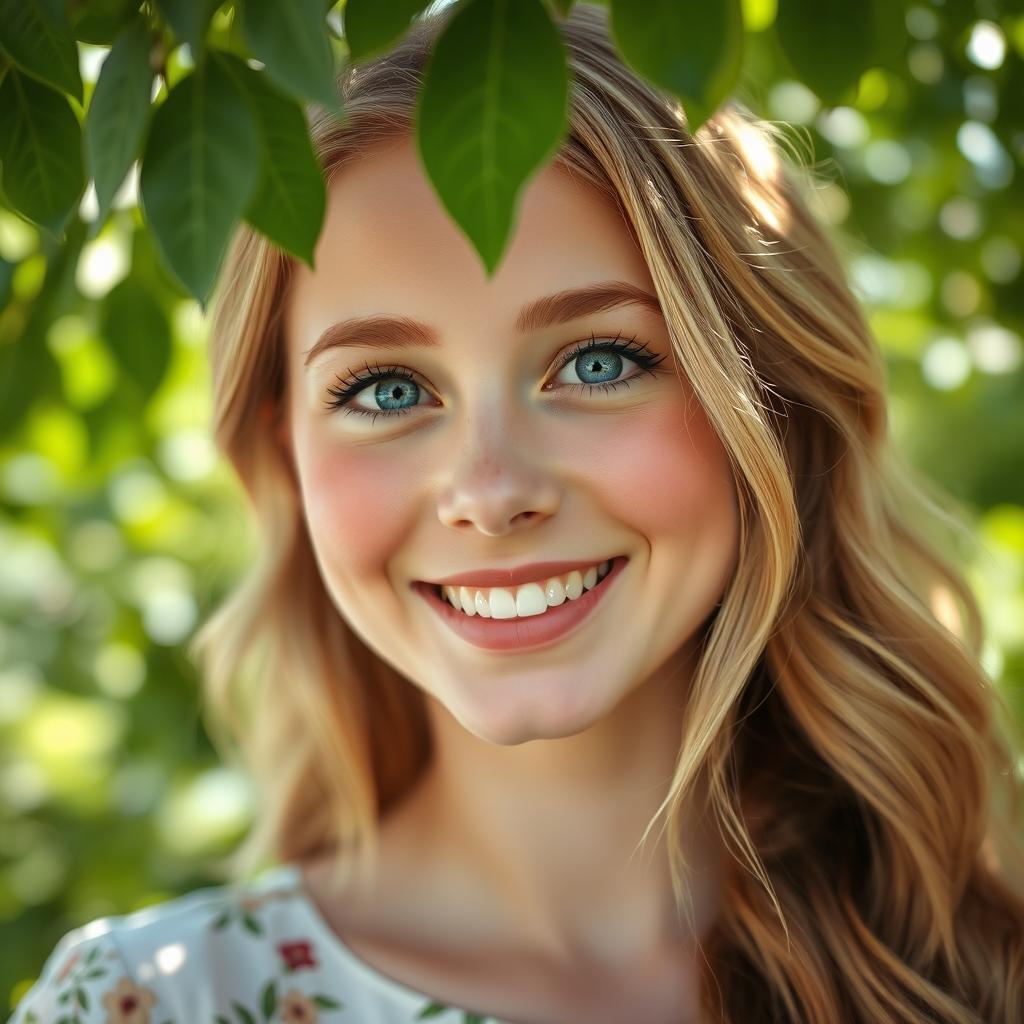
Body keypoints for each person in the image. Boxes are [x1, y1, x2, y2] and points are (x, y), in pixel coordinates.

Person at [11, 4, 1024, 1023]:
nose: (490, 494)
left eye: (597, 362)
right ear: (284, 450)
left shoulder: (986, 945)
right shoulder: (147, 1003)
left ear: (772, 402)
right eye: (386, 390)